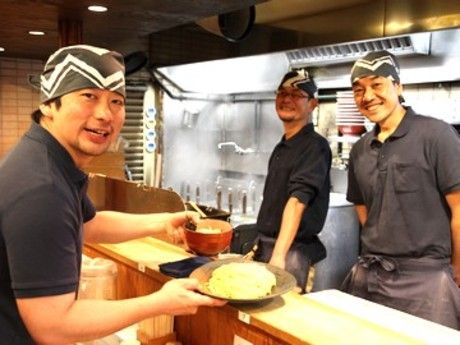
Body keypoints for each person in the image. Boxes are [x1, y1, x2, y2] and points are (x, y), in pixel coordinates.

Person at [0, 44, 225, 345]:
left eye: (116, 101)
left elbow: (88, 224)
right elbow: (53, 326)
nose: (105, 114)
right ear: (49, 103)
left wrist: (163, 221)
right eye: (88, 96)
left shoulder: (48, 160)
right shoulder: (43, 189)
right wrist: (159, 302)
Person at [342, 50, 460, 329]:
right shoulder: (360, 149)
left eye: (377, 85)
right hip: (370, 275)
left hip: (427, 281)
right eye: (358, 89)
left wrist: (457, 269)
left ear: (398, 86)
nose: (367, 96)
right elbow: (361, 205)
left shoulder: (436, 135)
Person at [254, 69, 332, 293]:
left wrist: (278, 257)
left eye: (297, 94)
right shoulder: (283, 145)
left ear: (313, 104)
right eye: (282, 93)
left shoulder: (315, 146)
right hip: (268, 247)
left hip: (291, 254)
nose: (287, 99)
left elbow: (297, 201)